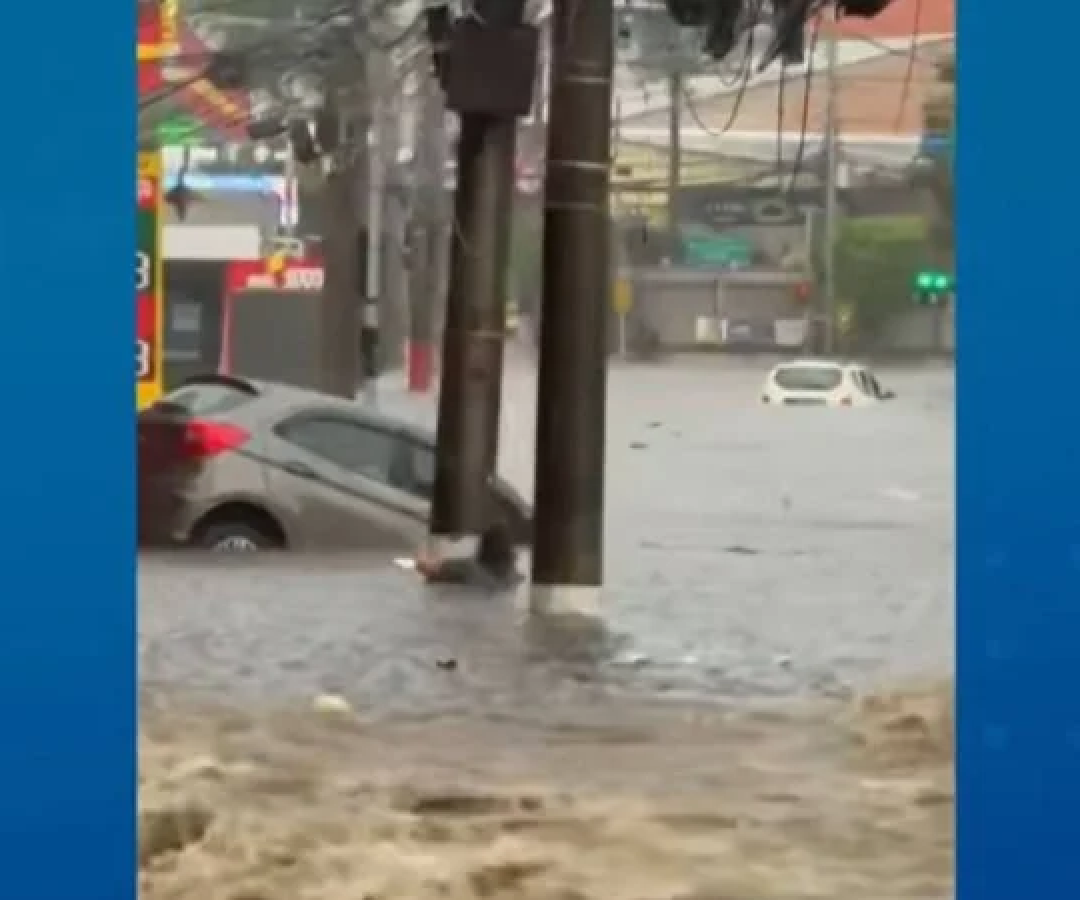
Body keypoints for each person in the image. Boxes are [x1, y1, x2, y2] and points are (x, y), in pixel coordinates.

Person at [415, 522, 522, 590]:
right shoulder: (513, 578)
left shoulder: (466, 568)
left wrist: (421, 548)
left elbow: (424, 568)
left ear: (483, 545)